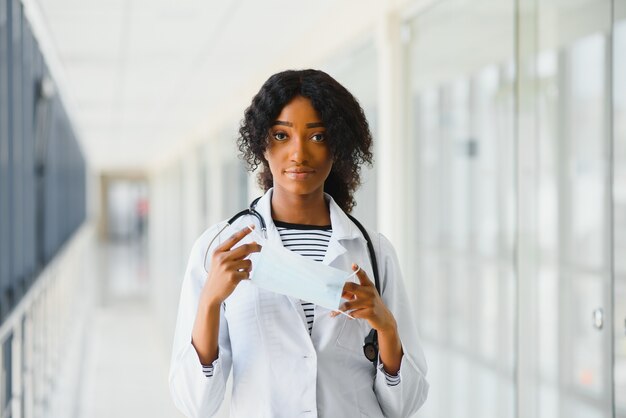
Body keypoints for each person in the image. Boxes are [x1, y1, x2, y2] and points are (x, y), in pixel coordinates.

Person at [169, 69, 429, 418]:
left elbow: (405, 405)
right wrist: (210, 303)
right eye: (281, 135)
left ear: (338, 144)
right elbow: (194, 404)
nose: (299, 154)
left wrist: (386, 326)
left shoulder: (374, 252)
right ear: (262, 142)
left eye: (318, 136)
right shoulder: (219, 249)